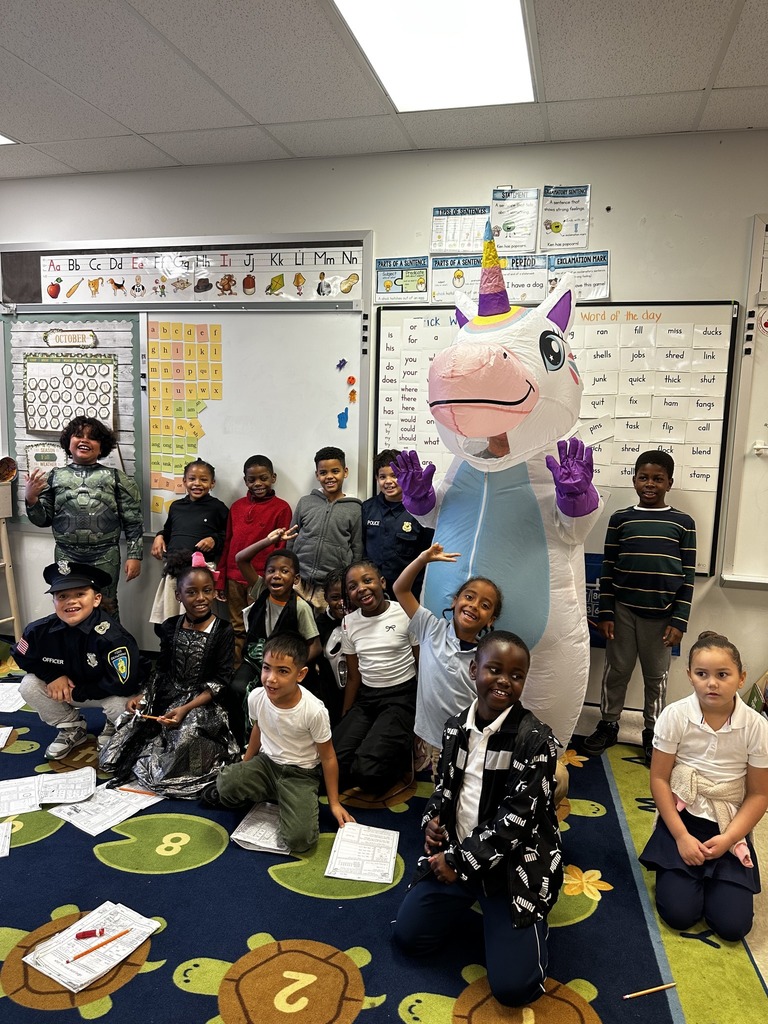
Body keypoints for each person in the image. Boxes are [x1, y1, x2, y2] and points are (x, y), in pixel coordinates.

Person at [393, 631, 563, 1007]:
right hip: (459, 857)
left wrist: (456, 862)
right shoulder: (455, 727)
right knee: (409, 939)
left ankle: (529, 924)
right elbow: (444, 787)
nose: (504, 681)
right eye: (494, 669)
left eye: (516, 675)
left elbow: (516, 821)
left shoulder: (536, 741)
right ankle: (474, 906)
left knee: (514, 989)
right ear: (474, 669)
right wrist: (434, 819)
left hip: (512, 868)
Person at [640, 631, 768, 941]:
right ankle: (678, 868)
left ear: (741, 678)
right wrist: (681, 836)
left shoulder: (756, 726)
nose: (712, 683)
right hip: (683, 819)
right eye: (702, 674)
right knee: (679, 914)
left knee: (733, 926)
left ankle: (718, 876)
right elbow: (659, 778)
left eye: (722, 674)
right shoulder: (675, 715)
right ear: (690, 676)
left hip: (729, 823)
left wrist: (729, 840)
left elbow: (759, 794)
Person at [583, 450, 697, 764]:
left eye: (658, 479)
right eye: (644, 477)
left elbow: (688, 576)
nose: (650, 484)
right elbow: (608, 567)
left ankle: (654, 733)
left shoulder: (683, 524)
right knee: (616, 671)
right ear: (634, 480)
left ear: (669, 483)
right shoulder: (620, 519)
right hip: (622, 612)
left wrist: (680, 620)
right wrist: (605, 612)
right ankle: (608, 724)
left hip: (663, 617)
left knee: (656, 677)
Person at [100, 551, 240, 797]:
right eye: (192, 592)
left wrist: (186, 709)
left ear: (214, 591)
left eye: (207, 591)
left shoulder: (223, 630)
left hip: (202, 702)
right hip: (168, 693)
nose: (201, 598)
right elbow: (162, 668)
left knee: (184, 739)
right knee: (126, 739)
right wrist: (144, 697)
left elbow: (220, 681)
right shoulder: (169, 626)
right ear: (179, 595)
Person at [202, 632, 355, 853]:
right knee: (226, 783)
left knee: (300, 841)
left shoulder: (313, 710)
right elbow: (258, 728)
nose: (271, 678)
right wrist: (245, 765)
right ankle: (275, 794)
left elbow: (329, 757)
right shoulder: (257, 696)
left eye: (282, 671)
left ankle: (285, 797)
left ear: (300, 674)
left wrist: (334, 802)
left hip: (300, 775)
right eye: (266, 668)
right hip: (266, 764)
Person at [12, 561, 142, 759]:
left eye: (80, 594)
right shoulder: (38, 631)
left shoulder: (113, 637)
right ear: (54, 601)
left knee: (120, 705)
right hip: (68, 689)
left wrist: (80, 692)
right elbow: (22, 656)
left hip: (107, 692)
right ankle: (72, 727)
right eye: (62, 596)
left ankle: (112, 725)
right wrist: (53, 675)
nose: (70, 601)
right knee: (29, 684)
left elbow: (122, 683)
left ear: (96, 599)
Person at [393, 544, 502, 777]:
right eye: (469, 597)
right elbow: (400, 589)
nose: (473, 605)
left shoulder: (488, 655)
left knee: (469, 789)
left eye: (484, 606)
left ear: (491, 619)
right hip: (435, 737)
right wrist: (422, 559)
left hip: (471, 739)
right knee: (441, 787)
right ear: (455, 601)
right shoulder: (430, 628)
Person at [24, 416, 143, 618]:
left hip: (105, 554)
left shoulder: (116, 478)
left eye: (92, 437)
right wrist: (31, 498)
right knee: (68, 603)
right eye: (78, 435)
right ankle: (73, 647)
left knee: (106, 604)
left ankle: (108, 648)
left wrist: (135, 555)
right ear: (68, 443)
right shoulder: (54, 476)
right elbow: (43, 520)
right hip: (66, 554)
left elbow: (133, 520)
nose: (85, 440)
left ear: (102, 447)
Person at [225, 527, 320, 748]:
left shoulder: (300, 607)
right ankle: (242, 744)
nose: (276, 575)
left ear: (295, 578)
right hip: (254, 659)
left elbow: (315, 646)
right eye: (271, 571)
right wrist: (268, 541)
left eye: (284, 571)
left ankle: (269, 744)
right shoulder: (261, 591)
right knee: (238, 689)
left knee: (273, 696)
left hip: (282, 664)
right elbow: (241, 559)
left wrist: (294, 666)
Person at [332, 559, 419, 795]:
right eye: (352, 586)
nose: (361, 588)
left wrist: (421, 716)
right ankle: (373, 745)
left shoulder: (405, 612)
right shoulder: (349, 622)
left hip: (401, 697)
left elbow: (422, 664)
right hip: (368, 699)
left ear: (382, 583)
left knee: (368, 772)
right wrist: (345, 718)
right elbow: (353, 677)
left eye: (367, 580)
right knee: (331, 765)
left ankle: (401, 754)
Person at [217, 455, 292, 667]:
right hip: (233, 578)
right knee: (236, 627)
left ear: (273, 478)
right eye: (252, 480)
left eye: (263, 478)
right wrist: (221, 579)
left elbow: (280, 549)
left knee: (258, 627)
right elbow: (228, 542)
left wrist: (271, 580)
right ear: (245, 481)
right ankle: (235, 670)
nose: (258, 484)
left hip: (258, 580)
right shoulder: (236, 507)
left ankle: (258, 670)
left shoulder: (282, 508)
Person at [150, 459, 229, 623]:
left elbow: (228, 536)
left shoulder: (218, 508)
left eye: (204, 479)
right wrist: (159, 536)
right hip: (174, 570)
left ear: (212, 483)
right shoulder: (176, 506)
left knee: (198, 617)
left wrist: (214, 539)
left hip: (201, 572)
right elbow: (169, 530)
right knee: (168, 619)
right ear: (184, 481)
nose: (197, 484)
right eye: (192, 479)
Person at [288, 446, 363, 610]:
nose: (329, 477)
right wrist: (290, 570)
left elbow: (357, 547)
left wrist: (348, 581)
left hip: (331, 586)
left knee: (324, 629)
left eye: (335, 471)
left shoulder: (355, 508)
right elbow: (292, 538)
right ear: (317, 475)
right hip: (299, 582)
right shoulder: (306, 502)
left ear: (345, 472)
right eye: (323, 473)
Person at [361, 448, 433, 599]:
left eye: (395, 476)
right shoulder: (367, 508)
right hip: (373, 594)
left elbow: (427, 555)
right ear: (376, 478)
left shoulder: (419, 511)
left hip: (408, 592)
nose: (388, 481)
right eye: (382, 476)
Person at [306, 569, 346, 728]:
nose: (342, 603)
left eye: (346, 597)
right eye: (335, 598)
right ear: (326, 598)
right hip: (328, 690)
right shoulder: (319, 625)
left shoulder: (362, 620)